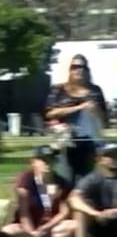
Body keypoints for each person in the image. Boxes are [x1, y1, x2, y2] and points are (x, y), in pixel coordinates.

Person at [44, 54, 107, 184]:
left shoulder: (95, 90)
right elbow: (49, 113)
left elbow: (104, 121)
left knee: (86, 181)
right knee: (65, 180)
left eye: (82, 67)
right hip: (64, 142)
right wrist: (78, 108)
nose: (79, 70)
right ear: (69, 70)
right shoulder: (58, 89)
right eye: (75, 67)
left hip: (90, 143)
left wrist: (96, 110)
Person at [0, 145, 75, 237]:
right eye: (43, 160)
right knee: (8, 230)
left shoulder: (62, 182)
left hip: (51, 227)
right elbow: (24, 212)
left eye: (51, 159)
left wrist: (47, 227)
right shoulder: (26, 180)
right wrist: (32, 233)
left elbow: (64, 212)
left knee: (72, 225)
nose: (47, 163)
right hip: (28, 227)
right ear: (33, 162)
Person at [68, 142, 117, 237]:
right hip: (99, 222)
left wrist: (114, 212)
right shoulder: (92, 178)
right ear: (99, 160)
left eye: (116, 154)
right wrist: (96, 213)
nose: (115, 158)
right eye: (110, 155)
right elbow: (73, 199)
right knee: (80, 211)